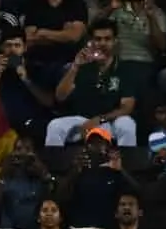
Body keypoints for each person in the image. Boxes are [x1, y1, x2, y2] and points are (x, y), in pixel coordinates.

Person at [46, 20, 138, 148]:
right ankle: (54, 167)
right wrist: (75, 66)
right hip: (82, 121)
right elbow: (60, 96)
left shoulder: (124, 69)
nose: (102, 43)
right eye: (98, 39)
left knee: (127, 123)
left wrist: (100, 119)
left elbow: (127, 107)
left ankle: (125, 165)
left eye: (107, 39)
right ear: (91, 42)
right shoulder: (82, 66)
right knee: (55, 126)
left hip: (110, 122)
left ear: (115, 41)